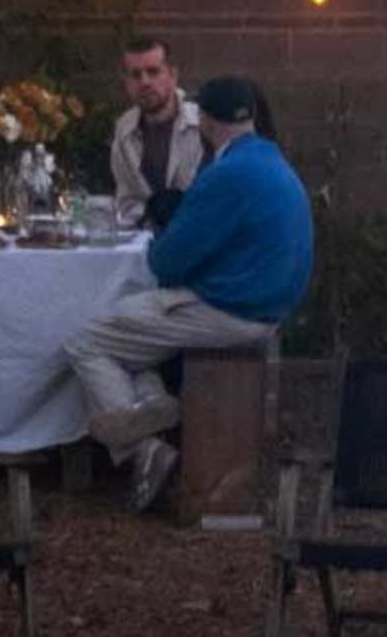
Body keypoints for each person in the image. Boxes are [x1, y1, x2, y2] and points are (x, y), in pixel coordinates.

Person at [69, 74, 313, 514]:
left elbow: (165, 261)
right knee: (133, 337)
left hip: (231, 311)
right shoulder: (272, 162)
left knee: (88, 341)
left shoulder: (227, 174)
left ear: (204, 119)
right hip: (267, 307)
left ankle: (141, 448)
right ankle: (155, 406)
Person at [106, 34, 213, 231]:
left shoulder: (202, 124)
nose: (145, 82)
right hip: (144, 237)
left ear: (173, 76)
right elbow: (127, 200)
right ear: (126, 82)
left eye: (153, 72)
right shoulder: (124, 129)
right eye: (135, 75)